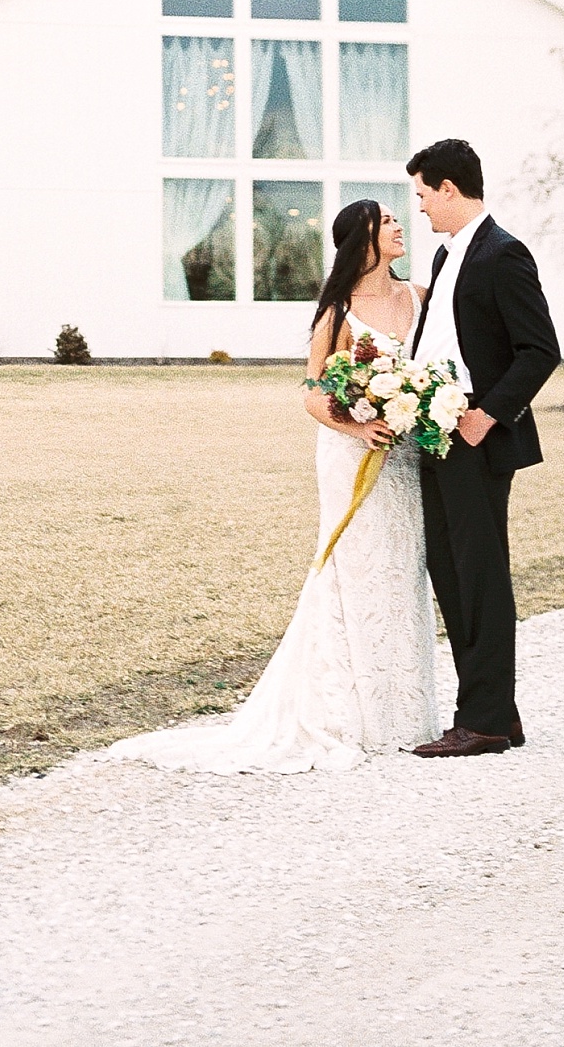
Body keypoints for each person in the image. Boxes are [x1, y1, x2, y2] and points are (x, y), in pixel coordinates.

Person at [108, 197, 439, 774]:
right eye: (385, 221)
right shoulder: (335, 312)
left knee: (402, 565)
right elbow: (313, 393)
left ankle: (403, 712)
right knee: (355, 565)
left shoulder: (420, 297)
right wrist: (358, 424)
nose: (396, 226)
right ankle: (349, 711)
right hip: (352, 451)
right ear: (362, 240)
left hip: (405, 455)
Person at [405, 135, 561, 757]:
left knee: (481, 575)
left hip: (476, 437)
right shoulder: (447, 258)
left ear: (448, 188)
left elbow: (540, 349)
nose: (418, 208)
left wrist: (488, 415)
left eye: (422, 195)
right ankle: (494, 712)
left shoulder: (503, 253)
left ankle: (486, 720)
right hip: (436, 434)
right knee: (451, 570)